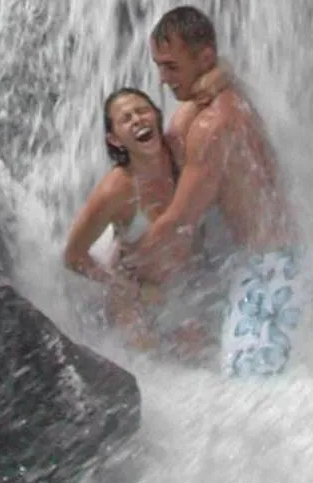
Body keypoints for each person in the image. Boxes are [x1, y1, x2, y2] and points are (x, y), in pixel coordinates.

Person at [129, 4, 302, 377]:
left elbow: (178, 221)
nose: (162, 79)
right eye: (159, 66)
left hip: (270, 270)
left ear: (205, 58)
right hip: (252, 262)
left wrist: (125, 269)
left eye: (171, 67)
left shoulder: (214, 125)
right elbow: (173, 144)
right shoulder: (219, 100)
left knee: (252, 386)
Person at [63, 89, 208, 355]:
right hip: (137, 295)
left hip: (189, 282)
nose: (137, 120)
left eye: (142, 111)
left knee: (202, 350)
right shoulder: (116, 190)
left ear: (157, 116)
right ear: (115, 139)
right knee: (151, 362)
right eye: (126, 118)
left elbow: (203, 92)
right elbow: (73, 256)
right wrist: (131, 290)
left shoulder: (179, 148)